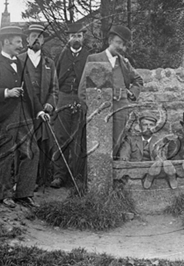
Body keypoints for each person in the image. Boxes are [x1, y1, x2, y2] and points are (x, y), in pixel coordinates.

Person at [0, 26, 46, 208]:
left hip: (25, 115)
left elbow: (31, 92)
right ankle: (5, 194)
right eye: (17, 42)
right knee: (6, 154)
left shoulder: (20, 63)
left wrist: (39, 110)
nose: (21, 45)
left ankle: (24, 194)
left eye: (21, 42)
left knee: (32, 151)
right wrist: (7, 92)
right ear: (6, 42)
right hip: (6, 117)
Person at [79, 25, 143, 159]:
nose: (120, 47)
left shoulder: (124, 63)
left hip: (121, 107)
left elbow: (138, 80)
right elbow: (83, 88)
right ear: (110, 41)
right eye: (118, 43)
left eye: (123, 44)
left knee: (117, 141)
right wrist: (90, 107)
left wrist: (132, 94)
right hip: (100, 108)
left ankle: (113, 173)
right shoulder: (94, 59)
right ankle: (97, 176)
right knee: (99, 142)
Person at [17, 24, 59, 188]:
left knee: (43, 145)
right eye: (33, 35)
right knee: (25, 146)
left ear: (43, 40)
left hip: (43, 111)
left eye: (40, 36)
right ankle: (23, 182)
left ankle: (40, 181)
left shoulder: (49, 63)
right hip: (24, 111)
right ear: (27, 39)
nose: (36, 39)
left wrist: (50, 103)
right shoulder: (19, 60)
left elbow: (54, 89)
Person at [50, 22, 90, 189]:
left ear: (83, 38)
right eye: (73, 36)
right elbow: (53, 80)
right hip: (63, 99)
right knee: (60, 137)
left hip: (81, 98)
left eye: (79, 36)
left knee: (79, 139)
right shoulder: (60, 55)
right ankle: (59, 175)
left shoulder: (89, 55)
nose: (76, 39)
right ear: (68, 38)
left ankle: (77, 177)